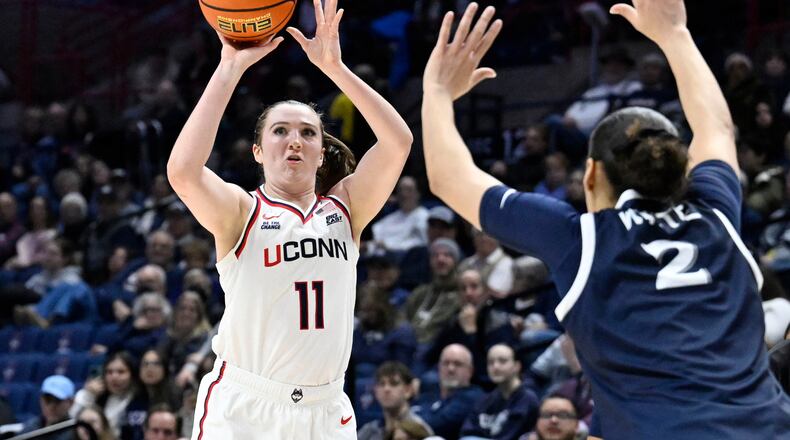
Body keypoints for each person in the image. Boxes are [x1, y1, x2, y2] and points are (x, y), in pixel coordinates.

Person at [420, 2, 790, 439]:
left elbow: (449, 178)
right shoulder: (716, 215)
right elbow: (718, 130)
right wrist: (676, 34)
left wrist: (438, 93)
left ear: (592, 174)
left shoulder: (581, 238)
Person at [165, 0, 412, 438]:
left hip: (326, 409)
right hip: (246, 406)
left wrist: (335, 68)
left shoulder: (346, 209)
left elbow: (398, 142)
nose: (294, 140)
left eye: (307, 132)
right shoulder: (242, 211)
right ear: (258, 152)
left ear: (321, 154)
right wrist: (228, 69)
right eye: (279, 131)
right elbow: (183, 171)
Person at [460, 344, 539, 440]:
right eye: (490, 362)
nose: (495, 367)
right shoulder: (485, 400)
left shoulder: (527, 399)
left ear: (517, 366)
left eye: (502, 361)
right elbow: (466, 432)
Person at [413, 344, 483, 440]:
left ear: (470, 370)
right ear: (438, 367)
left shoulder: (473, 396)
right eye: (446, 363)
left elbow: (438, 424)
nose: (451, 369)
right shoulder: (429, 395)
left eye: (458, 364)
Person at [357, 362, 433, 440]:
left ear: (408, 390)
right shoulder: (369, 430)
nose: (386, 389)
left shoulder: (420, 429)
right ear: (375, 391)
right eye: (382, 384)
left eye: (394, 384)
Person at [18, 375, 76, 440]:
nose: (51, 407)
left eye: (57, 401)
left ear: (71, 402)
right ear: (40, 399)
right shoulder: (30, 427)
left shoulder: (76, 433)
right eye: (47, 399)